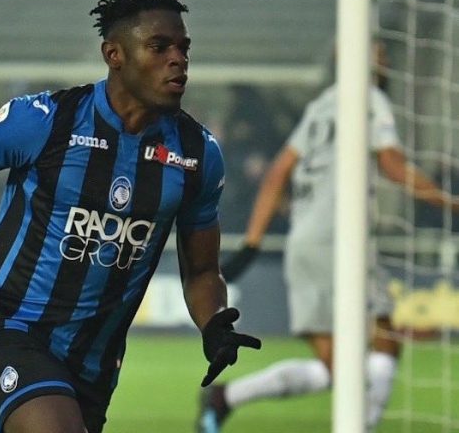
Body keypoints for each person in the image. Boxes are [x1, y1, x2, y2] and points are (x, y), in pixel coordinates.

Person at [0, 0, 261, 432]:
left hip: (94, 366)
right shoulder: (47, 120)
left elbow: (203, 271)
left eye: (183, 48)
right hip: (9, 333)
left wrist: (214, 324)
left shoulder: (197, 155)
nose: (178, 60)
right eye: (159, 46)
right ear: (114, 54)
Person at [196, 41, 459, 432]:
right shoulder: (368, 98)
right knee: (379, 344)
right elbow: (392, 164)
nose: (385, 58)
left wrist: (252, 243)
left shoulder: (321, 106)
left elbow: (277, 173)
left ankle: (226, 397)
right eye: (378, 52)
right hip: (341, 242)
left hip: (304, 247)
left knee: (339, 364)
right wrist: (450, 202)